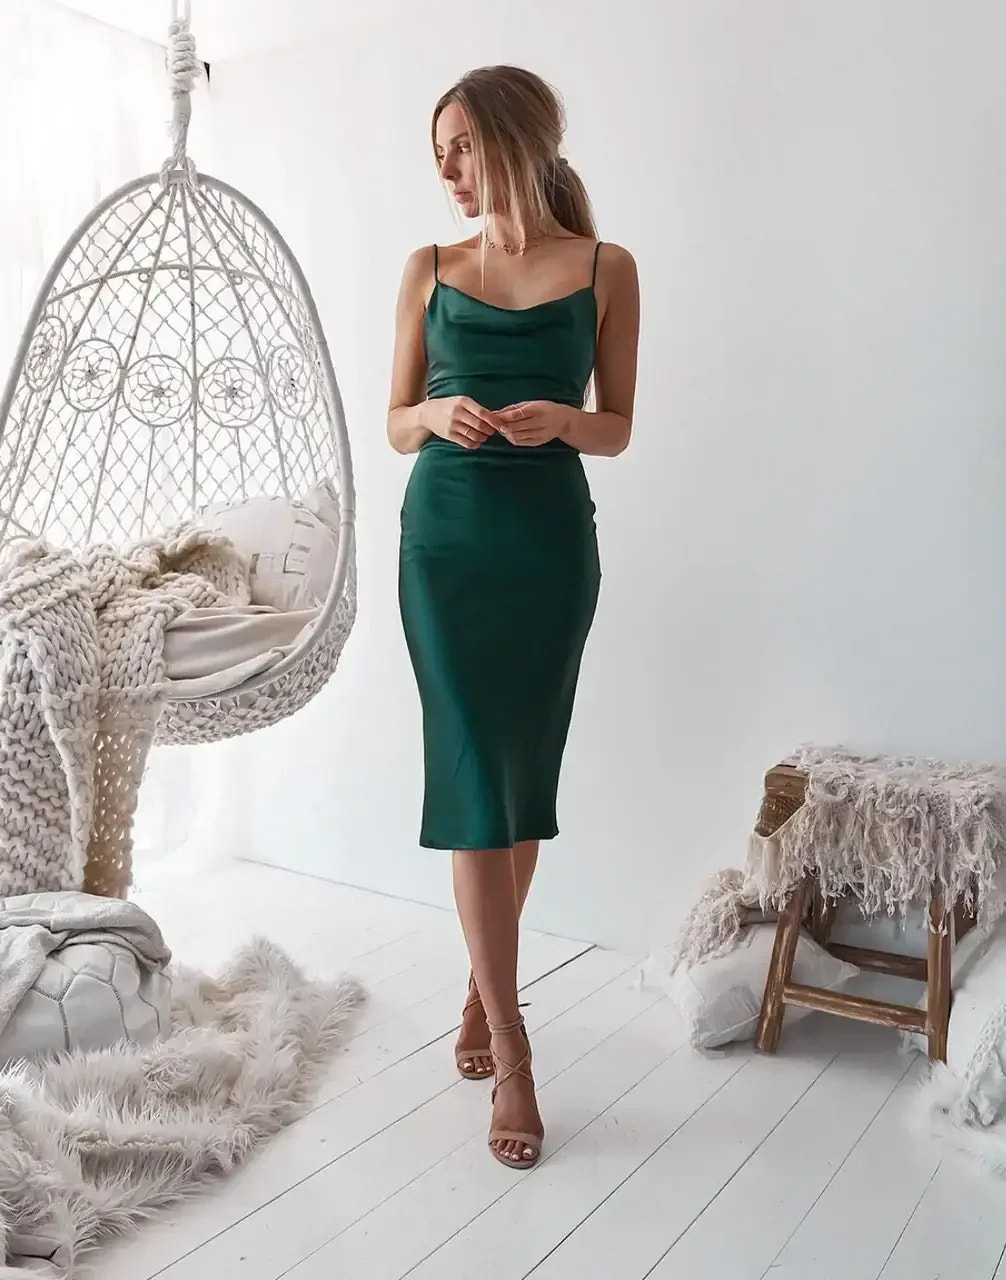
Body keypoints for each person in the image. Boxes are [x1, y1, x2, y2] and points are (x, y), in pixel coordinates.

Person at [387, 64, 640, 1170]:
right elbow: (395, 420)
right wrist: (436, 410)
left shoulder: (605, 268)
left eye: (460, 147)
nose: (446, 171)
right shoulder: (429, 269)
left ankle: (479, 995)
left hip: (546, 549)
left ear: (516, 141)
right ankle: (517, 1044)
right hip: (444, 545)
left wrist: (559, 420)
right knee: (474, 782)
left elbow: (620, 426)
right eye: (436, 152)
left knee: (518, 785)